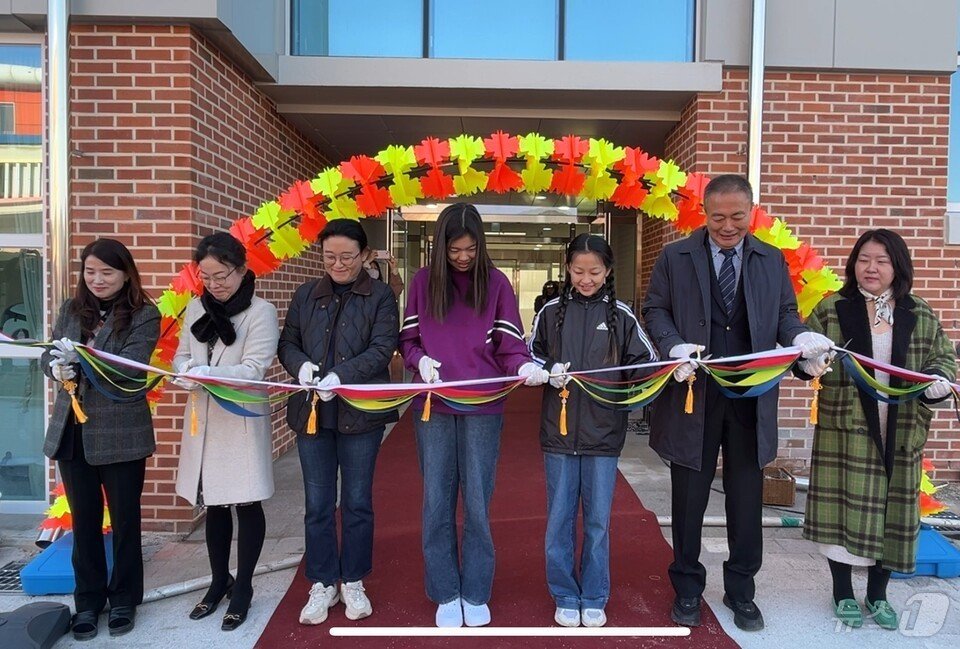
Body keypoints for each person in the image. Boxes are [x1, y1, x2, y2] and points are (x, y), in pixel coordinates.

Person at [641, 174, 833, 631]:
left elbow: (786, 314)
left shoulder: (770, 259)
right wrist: (671, 345)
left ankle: (742, 590)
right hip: (694, 393)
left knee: (747, 499)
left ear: (752, 212)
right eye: (717, 217)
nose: (727, 226)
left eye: (737, 217)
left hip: (752, 396)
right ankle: (687, 588)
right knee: (688, 497)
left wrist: (799, 336)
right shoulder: (676, 256)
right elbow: (655, 309)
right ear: (703, 213)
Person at [399, 202, 549, 628]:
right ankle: (445, 590)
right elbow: (408, 340)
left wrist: (521, 366)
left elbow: (509, 343)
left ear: (480, 245)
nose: (463, 257)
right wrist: (420, 361)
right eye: (454, 251)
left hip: (485, 405)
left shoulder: (497, 282)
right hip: (434, 404)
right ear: (440, 248)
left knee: (479, 501)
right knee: (436, 499)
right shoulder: (424, 283)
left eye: (470, 249)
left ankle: (477, 589)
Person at [797, 229, 956, 630]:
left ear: (897, 267)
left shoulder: (918, 311)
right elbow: (801, 358)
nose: (871, 268)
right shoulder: (833, 308)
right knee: (841, 512)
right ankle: (842, 593)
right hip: (845, 430)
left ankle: (879, 595)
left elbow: (943, 358)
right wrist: (808, 363)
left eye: (882, 261)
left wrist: (938, 381)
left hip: (900, 431)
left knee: (893, 514)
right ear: (854, 264)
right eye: (864, 259)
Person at [529, 234, 658, 628]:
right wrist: (542, 370)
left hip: (604, 434)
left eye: (595, 272)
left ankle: (595, 593)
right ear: (568, 269)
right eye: (579, 271)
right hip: (559, 432)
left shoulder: (621, 314)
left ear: (608, 271)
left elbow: (646, 362)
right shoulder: (550, 311)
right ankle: (565, 592)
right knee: (559, 518)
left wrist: (672, 367)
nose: (586, 279)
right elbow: (529, 352)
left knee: (599, 521)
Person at [278, 218, 399, 626]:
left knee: (357, 501)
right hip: (312, 411)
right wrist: (303, 367)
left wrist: (341, 375)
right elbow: (287, 342)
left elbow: (384, 348)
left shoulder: (381, 296)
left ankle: (353, 579)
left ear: (365, 255)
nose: (339, 264)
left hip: (360, 412)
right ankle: (323, 581)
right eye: (330, 256)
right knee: (317, 503)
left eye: (347, 256)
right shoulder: (306, 294)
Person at [40, 238, 160, 641]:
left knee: (126, 520)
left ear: (126, 273)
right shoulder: (72, 309)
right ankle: (88, 602)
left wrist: (82, 361)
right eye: (90, 272)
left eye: (106, 272)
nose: (97, 280)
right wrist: (55, 366)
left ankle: (124, 599)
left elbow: (131, 370)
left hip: (121, 432)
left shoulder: (144, 313)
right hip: (72, 432)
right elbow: (48, 352)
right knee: (85, 522)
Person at [172, 232, 279, 631]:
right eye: (207, 276)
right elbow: (183, 355)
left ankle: (244, 586)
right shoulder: (196, 307)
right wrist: (186, 372)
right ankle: (220, 581)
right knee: (214, 504)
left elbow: (254, 370)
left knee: (246, 502)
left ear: (242, 270)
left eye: (223, 276)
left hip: (240, 420)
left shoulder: (260, 312)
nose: (215, 285)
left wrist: (207, 373)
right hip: (203, 418)